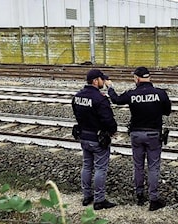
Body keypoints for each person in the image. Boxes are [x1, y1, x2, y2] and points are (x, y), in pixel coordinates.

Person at [107, 66, 171, 211]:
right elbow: (167, 111)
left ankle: (140, 194)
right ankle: (153, 199)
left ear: (136, 79)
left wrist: (110, 87)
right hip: (154, 134)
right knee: (153, 166)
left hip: (136, 134)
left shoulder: (132, 94)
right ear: (149, 78)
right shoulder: (160, 94)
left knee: (138, 165)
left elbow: (116, 100)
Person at [72, 69, 118, 210]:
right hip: (98, 139)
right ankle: (99, 200)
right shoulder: (100, 98)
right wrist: (112, 131)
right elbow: (108, 119)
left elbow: (76, 113)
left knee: (86, 166)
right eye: (102, 80)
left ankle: (87, 196)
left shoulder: (77, 96)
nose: (103, 82)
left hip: (84, 137)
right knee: (100, 168)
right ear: (95, 81)